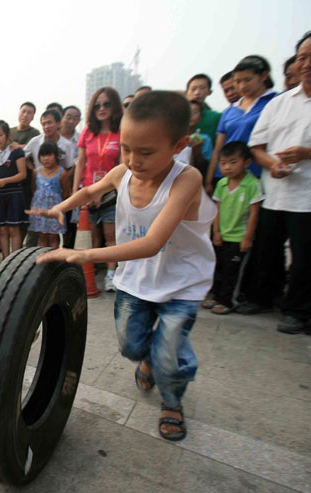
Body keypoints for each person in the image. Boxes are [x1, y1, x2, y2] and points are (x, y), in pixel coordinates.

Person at [31, 91, 216, 441]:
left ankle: (172, 401)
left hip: (182, 283)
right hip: (136, 281)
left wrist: (82, 255)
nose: (133, 160)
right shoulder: (123, 172)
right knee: (131, 346)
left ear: (178, 146)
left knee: (169, 356)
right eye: (128, 149)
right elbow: (90, 192)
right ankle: (152, 359)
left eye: (146, 152)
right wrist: (62, 207)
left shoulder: (186, 180)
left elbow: (152, 243)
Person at [237, 24, 311, 333]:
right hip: (275, 190)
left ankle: (298, 310)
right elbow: (257, 145)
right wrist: (272, 164)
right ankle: (261, 297)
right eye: (302, 56)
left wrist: (308, 152)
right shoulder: (280, 102)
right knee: (266, 249)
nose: (306, 63)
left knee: (307, 256)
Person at [202, 141, 263, 315]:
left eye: (233, 162)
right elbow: (217, 210)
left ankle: (228, 301)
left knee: (233, 272)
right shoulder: (221, 184)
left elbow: (254, 214)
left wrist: (247, 238)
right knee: (218, 267)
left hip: (239, 237)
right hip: (222, 235)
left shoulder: (252, 184)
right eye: (223, 163)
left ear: (247, 162)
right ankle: (215, 297)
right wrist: (217, 233)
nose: (227, 167)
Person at [205, 56, 277, 195]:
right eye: (238, 81)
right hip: (226, 175)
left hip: (259, 174)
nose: (242, 86)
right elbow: (218, 149)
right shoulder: (229, 111)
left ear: (263, 76)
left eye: (247, 80)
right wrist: (209, 181)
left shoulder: (276, 101)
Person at [74, 87, 123, 292]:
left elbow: (122, 166)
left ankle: (111, 276)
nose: (101, 109)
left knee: (111, 237)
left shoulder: (121, 131)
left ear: (114, 106)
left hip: (112, 193)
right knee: (92, 236)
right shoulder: (87, 131)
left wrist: (106, 192)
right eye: (97, 105)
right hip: (88, 192)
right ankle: (89, 275)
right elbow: (80, 163)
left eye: (106, 104)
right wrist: (75, 192)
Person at [0, 120, 27, 257]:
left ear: (7, 135)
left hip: (14, 194)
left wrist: (5, 181)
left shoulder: (17, 152)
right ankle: (5, 260)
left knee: (14, 229)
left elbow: (22, 174)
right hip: (0, 195)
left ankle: (14, 260)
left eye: (0, 135)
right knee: (1, 229)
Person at [27, 141, 70, 247]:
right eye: (43, 155)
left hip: (54, 210)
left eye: (49, 155)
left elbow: (66, 192)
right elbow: (34, 189)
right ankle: (43, 260)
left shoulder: (62, 173)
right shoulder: (36, 172)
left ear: (56, 155)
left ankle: (53, 261)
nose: (46, 158)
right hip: (40, 210)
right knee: (42, 238)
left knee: (53, 238)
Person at [175, 100, 213, 175]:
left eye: (195, 112)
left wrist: (197, 150)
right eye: (187, 111)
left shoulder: (204, 139)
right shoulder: (172, 136)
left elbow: (204, 168)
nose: (190, 115)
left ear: (200, 117)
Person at [186, 73, 221, 141]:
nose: (197, 92)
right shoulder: (177, 115)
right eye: (193, 89)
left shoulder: (216, 117)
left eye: (202, 88)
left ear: (209, 92)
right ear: (187, 92)